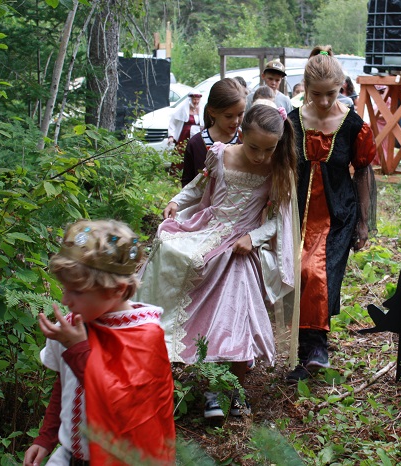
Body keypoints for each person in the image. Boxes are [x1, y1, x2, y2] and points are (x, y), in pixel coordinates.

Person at [137, 103, 300, 419]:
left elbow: (278, 221)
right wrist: (175, 201)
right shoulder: (221, 154)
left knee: (235, 316)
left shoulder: (278, 170)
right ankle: (159, 369)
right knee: (171, 257)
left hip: (240, 248)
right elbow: (197, 187)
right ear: (241, 133)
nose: (260, 156)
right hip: (208, 231)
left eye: (268, 149)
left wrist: (253, 237)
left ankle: (228, 391)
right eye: (254, 147)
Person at [23, 220, 175, 466]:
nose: (65, 300)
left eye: (77, 291)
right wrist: (45, 438)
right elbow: (64, 384)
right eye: (65, 288)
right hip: (70, 454)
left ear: (117, 290)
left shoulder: (145, 335)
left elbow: (123, 406)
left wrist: (78, 350)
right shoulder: (73, 326)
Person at [286, 45, 377, 383]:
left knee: (316, 272)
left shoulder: (353, 126)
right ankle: (302, 350)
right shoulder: (292, 122)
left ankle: (316, 348)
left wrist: (363, 222)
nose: (324, 101)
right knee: (296, 275)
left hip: (338, 213)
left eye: (332, 93)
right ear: (306, 89)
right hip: (295, 213)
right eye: (317, 94)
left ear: (341, 88)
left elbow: (363, 171)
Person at [180, 78, 246, 186]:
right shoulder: (196, 144)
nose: (236, 121)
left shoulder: (245, 141)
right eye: (228, 116)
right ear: (212, 112)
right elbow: (187, 182)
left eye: (240, 114)